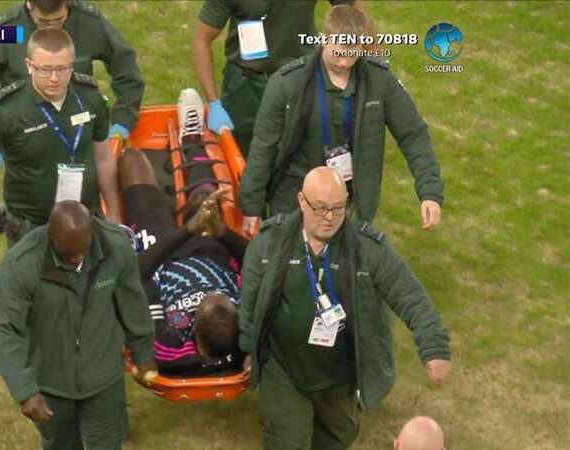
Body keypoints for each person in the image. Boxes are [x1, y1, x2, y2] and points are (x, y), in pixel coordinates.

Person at [239, 166, 451, 450]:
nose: (330, 217)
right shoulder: (269, 243)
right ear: (301, 201)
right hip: (283, 367)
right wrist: (246, 346)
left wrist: (434, 346)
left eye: (339, 208)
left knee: (337, 439)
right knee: (288, 440)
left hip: (340, 373)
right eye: (321, 208)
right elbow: (250, 299)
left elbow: (409, 294)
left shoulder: (367, 249)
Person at [238, 4, 443, 236]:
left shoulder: (380, 82)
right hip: (294, 193)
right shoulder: (286, 84)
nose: (345, 62)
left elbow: (413, 134)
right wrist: (251, 206)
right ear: (323, 39)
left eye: (352, 52)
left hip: (348, 199)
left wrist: (430, 192)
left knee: (343, 268)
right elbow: (263, 146)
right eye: (339, 52)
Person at [0, 27, 121, 272]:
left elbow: (103, 158)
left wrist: (113, 210)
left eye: (62, 69)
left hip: (85, 221)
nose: (54, 78)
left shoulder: (90, 98)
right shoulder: (6, 110)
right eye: (45, 69)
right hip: (32, 230)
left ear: (72, 65)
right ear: (29, 65)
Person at [0, 201, 154, 450]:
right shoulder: (21, 265)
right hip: (51, 383)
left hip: (103, 379)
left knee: (107, 444)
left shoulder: (116, 249)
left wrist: (143, 353)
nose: (78, 259)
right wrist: (24, 389)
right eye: (69, 254)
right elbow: (5, 329)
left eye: (83, 251)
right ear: (51, 237)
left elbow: (133, 303)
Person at [118, 138, 247, 375]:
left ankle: (135, 148)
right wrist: (224, 233)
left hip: (161, 261)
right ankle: (192, 140)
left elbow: (138, 274)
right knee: (204, 205)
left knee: (131, 159)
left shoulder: (167, 348)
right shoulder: (246, 343)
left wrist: (186, 232)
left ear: (194, 328)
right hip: (211, 252)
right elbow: (254, 263)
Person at [0, 0, 144, 170]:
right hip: (26, 138)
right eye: (43, 22)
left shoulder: (87, 22)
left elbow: (125, 67)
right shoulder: (10, 30)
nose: (52, 28)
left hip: (78, 133)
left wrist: (123, 118)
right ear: (30, 5)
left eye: (59, 20)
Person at [191, 0, 358, 156]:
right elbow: (202, 39)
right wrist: (213, 103)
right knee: (239, 163)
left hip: (298, 83)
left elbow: (357, 16)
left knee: (297, 167)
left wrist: (373, 73)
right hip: (245, 89)